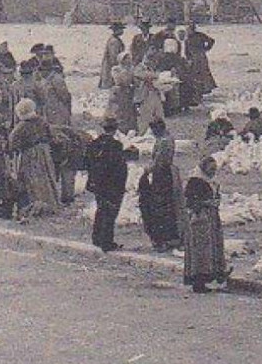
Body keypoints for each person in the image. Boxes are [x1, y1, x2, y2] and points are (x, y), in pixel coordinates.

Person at [183, 157, 230, 293]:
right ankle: (199, 282)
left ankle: (214, 275)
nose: (213, 172)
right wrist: (207, 203)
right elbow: (190, 201)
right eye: (211, 170)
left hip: (211, 218)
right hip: (199, 220)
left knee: (211, 248)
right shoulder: (195, 181)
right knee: (201, 251)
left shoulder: (211, 181)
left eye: (215, 170)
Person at [8, 98, 60, 219]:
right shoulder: (42, 121)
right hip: (45, 153)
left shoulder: (21, 126)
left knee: (30, 180)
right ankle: (49, 204)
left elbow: (12, 143)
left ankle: (33, 206)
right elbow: (52, 137)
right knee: (46, 178)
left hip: (29, 155)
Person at [84, 117, 131, 251]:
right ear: (115, 129)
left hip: (97, 183)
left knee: (101, 209)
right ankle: (106, 241)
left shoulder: (94, 144)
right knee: (110, 213)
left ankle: (97, 237)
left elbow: (87, 162)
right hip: (112, 185)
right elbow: (119, 168)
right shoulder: (116, 145)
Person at [137, 121, 183, 251]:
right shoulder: (169, 138)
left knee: (161, 206)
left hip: (162, 176)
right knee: (168, 206)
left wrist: (147, 171)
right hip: (167, 174)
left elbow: (159, 161)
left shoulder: (163, 141)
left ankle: (163, 238)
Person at [39, 55, 73, 127]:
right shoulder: (44, 80)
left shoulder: (57, 79)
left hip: (58, 112)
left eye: (41, 70)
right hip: (49, 112)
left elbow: (64, 96)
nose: (40, 73)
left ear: (47, 70)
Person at [108, 61, 139, 135]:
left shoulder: (130, 88)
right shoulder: (116, 89)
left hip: (128, 106)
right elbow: (113, 101)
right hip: (120, 107)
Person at [134, 67, 166, 133]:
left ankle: (160, 132)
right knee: (145, 118)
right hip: (145, 96)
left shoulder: (156, 68)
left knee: (158, 115)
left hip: (155, 95)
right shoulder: (140, 67)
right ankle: (143, 134)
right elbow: (138, 76)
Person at [100, 22, 126, 90]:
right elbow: (114, 57)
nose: (122, 31)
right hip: (110, 67)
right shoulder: (114, 41)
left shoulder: (116, 39)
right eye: (121, 29)